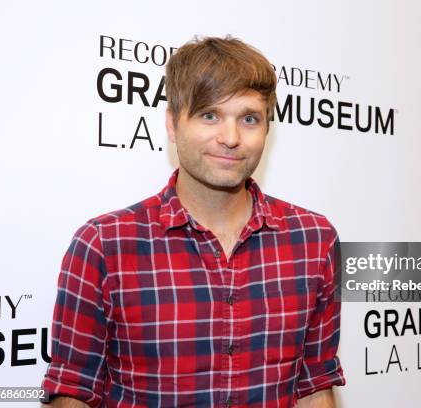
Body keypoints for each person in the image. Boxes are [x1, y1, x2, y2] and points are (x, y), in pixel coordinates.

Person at [41, 36, 345, 408]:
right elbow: (73, 391)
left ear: (267, 128)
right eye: (209, 115)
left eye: (249, 118)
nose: (231, 138)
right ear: (172, 124)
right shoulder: (104, 244)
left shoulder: (314, 240)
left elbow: (315, 387)